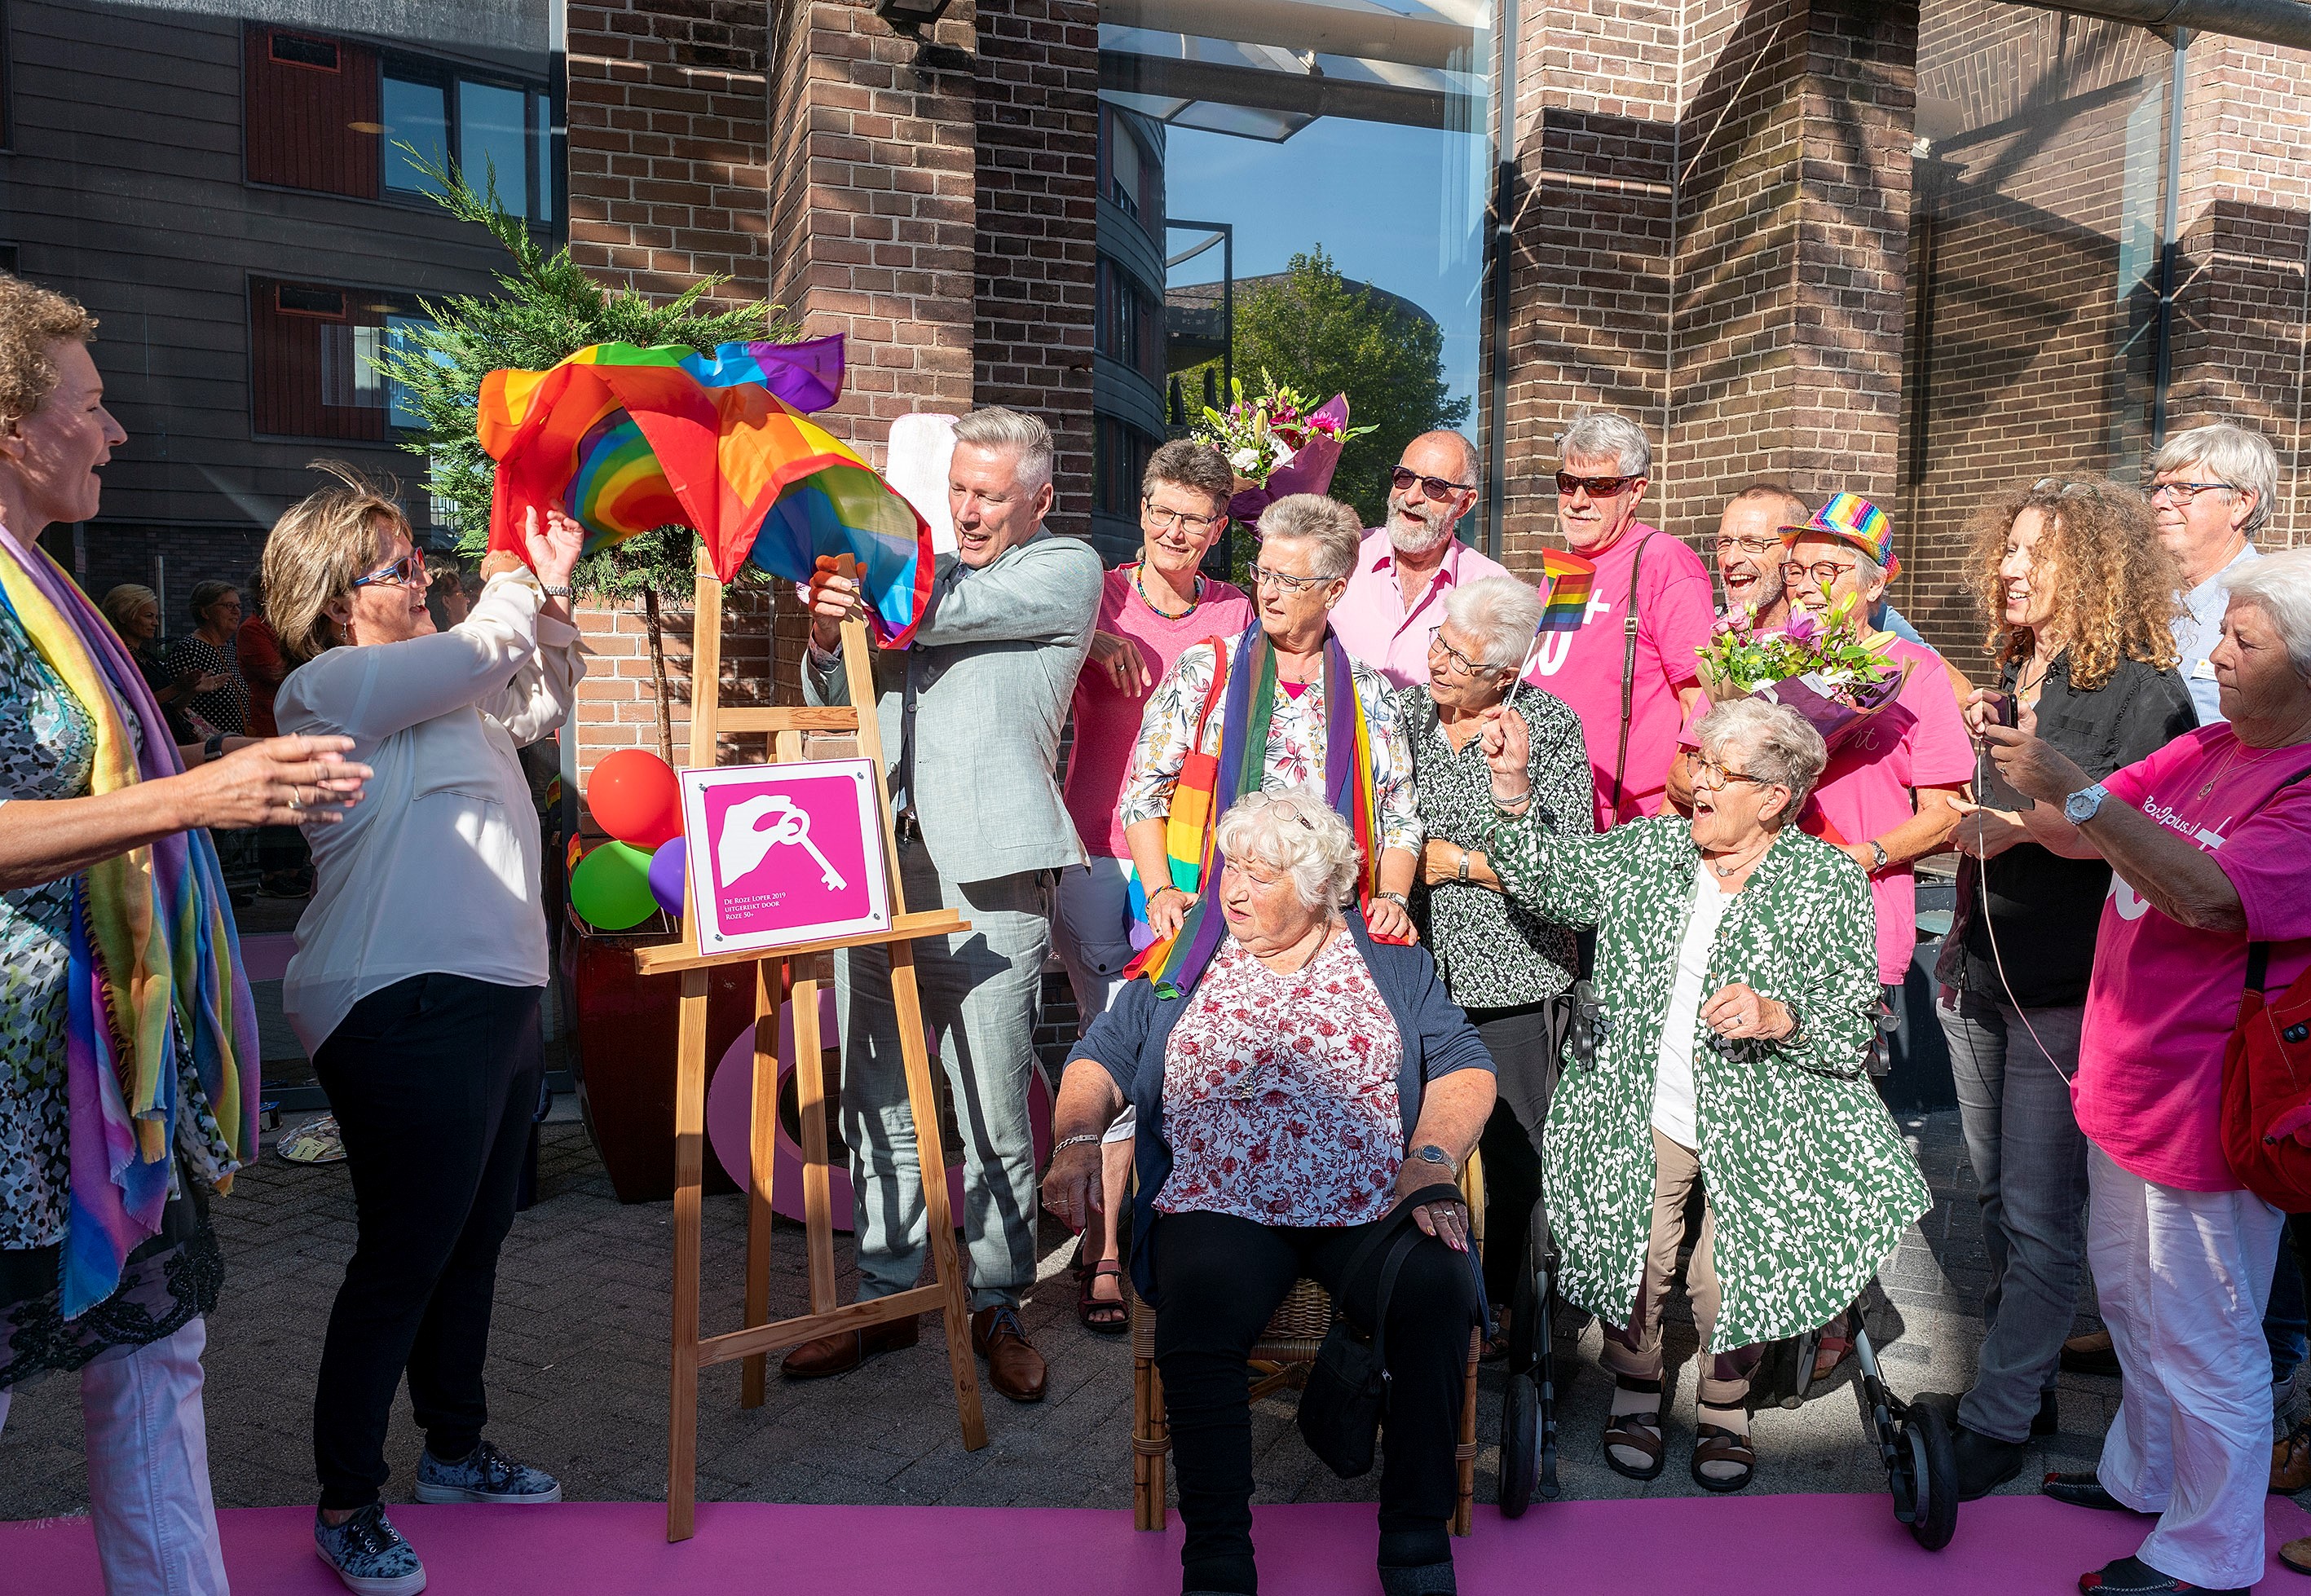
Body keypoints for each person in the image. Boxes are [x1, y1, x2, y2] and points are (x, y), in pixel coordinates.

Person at [0, 272, 369, 1596]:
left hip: (97, 1071)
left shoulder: (43, 581)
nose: (116, 433)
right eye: (91, 405)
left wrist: (231, 768)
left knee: (155, 1357)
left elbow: (92, 778)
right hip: (16, 1093)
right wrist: (193, 800)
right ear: (10, 426)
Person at [1045, 787, 1493, 1596]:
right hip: (1221, 1195)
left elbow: (1463, 1064)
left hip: (1367, 1195)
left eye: (1262, 876)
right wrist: (1077, 1138)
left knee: (1436, 1287)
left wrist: (1430, 1158)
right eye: (1231, 870)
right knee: (1198, 1304)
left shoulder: (1391, 960)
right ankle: (1218, 1552)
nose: (1235, 891)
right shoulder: (1186, 954)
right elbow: (1100, 1056)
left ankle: (1416, 1536)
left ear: (1320, 888)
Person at [268, 465, 584, 1596]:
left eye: (418, 560)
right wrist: (509, 583)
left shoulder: (441, 691)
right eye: (398, 567)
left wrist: (549, 594)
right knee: (405, 1252)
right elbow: (485, 648)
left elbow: (535, 697)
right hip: (398, 995)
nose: (422, 578)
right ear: (334, 598)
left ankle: (454, 1448)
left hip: (493, 991)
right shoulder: (330, 685)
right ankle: (347, 1499)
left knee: (473, 1238)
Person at [1483, 696, 1930, 1492]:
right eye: (1702, 764)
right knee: (1634, 1254)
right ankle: (1635, 1385)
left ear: (1774, 797)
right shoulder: (1651, 849)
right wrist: (1513, 786)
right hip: (1639, 1096)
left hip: (1770, 1107)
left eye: (1725, 773)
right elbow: (1554, 882)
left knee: (1732, 1272)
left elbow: (1850, 1016)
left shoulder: (1825, 878)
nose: (1702, 784)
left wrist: (1778, 1016)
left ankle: (1725, 1402)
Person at [1982, 548, 2311, 1596]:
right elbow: (2090, 827)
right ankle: (2147, 1473)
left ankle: (2211, 1551)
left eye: (2243, 641)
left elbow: (2209, 896)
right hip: (2130, 1076)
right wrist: (2033, 773)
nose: (2215, 657)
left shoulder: (2304, 784)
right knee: (2130, 1297)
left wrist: (2072, 792)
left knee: (2206, 1328)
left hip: (2208, 1097)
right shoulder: (2215, 744)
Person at [790, 407, 1102, 1402]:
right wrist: (824, 633)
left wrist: (856, 570)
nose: (966, 510)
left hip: (994, 882)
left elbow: (937, 612)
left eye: (988, 495)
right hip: (880, 868)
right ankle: (886, 1296)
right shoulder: (920, 573)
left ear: (1039, 499)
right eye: (957, 488)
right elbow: (836, 693)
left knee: (993, 1108)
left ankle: (998, 1301)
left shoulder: (1067, 569)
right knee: (876, 1099)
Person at [1931, 477, 2196, 1500]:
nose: (2009, 569)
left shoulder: (2142, 688)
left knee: (2041, 1214)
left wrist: (2015, 821)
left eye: (2034, 554)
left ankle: (1998, 1419)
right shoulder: (2014, 669)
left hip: (2067, 980)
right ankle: (2026, 1379)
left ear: (2092, 567)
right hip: (1981, 965)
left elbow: (2131, 837)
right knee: (1996, 1197)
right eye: (2007, 549)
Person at [1054, 438, 1253, 1335]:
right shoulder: (1094, 593)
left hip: (1198, 867)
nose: (1175, 531)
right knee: (1111, 1040)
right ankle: (1102, 1249)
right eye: (1162, 512)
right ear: (1140, 509)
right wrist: (1086, 640)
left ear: (1218, 528)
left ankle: (1157, 1224)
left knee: (1177, 1052)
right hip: (1099, 851)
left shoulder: (1237, 608)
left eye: (1194, 519)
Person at [1394, 576, 1591, 1324]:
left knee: (1513, 1147)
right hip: (1411, 968)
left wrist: (1461, 865)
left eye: (1463, 660)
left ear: (1506, 674)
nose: (1439, 664)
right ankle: (1416, 1290)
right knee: (1410, 1134)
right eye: (1440, 643)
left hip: (1511, 972)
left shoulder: (1548, 727)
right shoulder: (1402, 714)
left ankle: (1508, 1306)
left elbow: (1572, 866)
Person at [1122, 492, 1422, 951]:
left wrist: (1393, 898)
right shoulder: (1205, 671)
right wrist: (1160, 891)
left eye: (1288, 580)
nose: (1267, 591)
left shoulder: (1371, 692)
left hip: (1329, 930)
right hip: (1210, 918)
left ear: (1334, 591)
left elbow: (1399, 818)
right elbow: (1143, 794)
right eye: (1262, 573)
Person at [1518, 411, 1713, 827]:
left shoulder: (1663, 561)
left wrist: (1669, 818)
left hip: (1630, 821)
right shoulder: (1567, 566)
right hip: (1552, 810)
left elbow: (1701, 702)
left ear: (1636, 491)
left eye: (1600, 486)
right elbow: (1555, 674)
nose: (1578, 501)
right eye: (1568, 483)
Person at [1330, 430, 1515, 689]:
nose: (1411, 497)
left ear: (1464, 504)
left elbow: (1496, 691)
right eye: (1404, 478)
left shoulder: (1492, 588)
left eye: (1434, 486)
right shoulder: (1342, 552)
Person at [2150, 421, 2274, 725]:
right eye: (2156, 489)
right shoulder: (2140, 599)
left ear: (2241, 503)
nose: (2158, 502)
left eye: (2183, 489)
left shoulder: (2276, 607)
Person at [236, 567, 310, 900]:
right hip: (270, 724)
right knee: (279, 801)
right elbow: (277, 671)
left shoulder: (281, 626)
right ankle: (272, 874)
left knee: (298, 799)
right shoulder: (253, 629)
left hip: (290, 724)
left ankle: (292, 868)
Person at [102, 581, 210, 746]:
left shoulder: (146, 657)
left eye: (156, 617)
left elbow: (170, 710)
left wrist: (191, 690)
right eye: (148, 616)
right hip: (149, 746)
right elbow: (132, 706)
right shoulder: (116, 659)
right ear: (123, 616)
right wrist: (177, 688)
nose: (156, 623)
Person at [1712, 483, 1806, 628]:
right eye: (1724, 542)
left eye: (1752, 542)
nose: (1730, 559)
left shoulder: (1821, 635)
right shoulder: (1707, 629)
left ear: (1794, 551)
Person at [165, 579, 250, 737]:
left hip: (232, 742)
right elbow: (169, 706)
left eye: (238, 606)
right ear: (205, 612)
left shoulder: (229, 648)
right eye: (229, 606)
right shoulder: (190, 649)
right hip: (204, 745)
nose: (237, 612)